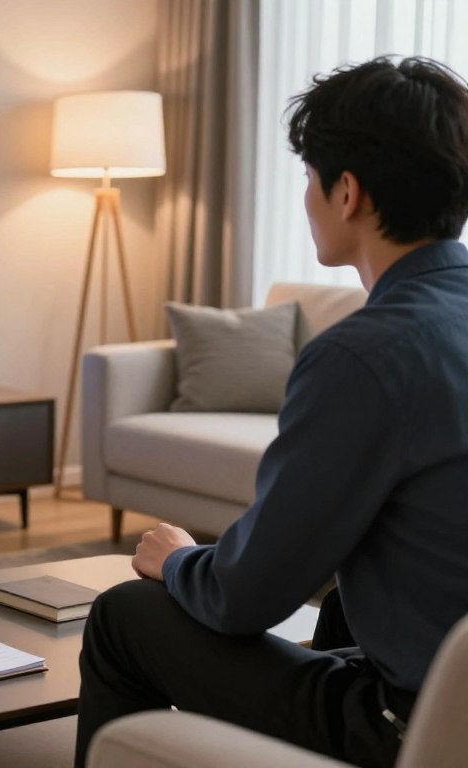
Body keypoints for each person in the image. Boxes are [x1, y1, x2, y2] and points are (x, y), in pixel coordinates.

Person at [75, 56, 468, 768]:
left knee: (123, 616)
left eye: (309, 179)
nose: (308, 198)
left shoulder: (362, 356)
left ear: (347, 192)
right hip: (444, 679)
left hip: (414, 726)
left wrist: (178, 561)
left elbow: (243, 597)